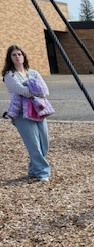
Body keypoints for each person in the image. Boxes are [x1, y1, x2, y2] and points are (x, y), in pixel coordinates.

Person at [2, 44, 51, 183]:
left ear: (23, 56)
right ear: (10, 58)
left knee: (44, 143)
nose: (17, 57)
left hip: (38, 110)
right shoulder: (9, 75)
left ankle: (33, 170)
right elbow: (22, 91)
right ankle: (42, 172)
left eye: (19, 54)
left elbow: (45, 91)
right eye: (14, 55)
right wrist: (35, 88)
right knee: (33, 144)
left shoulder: (33, 72)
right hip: (21, 114)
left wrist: (32, 88)